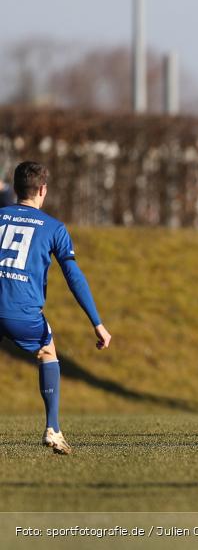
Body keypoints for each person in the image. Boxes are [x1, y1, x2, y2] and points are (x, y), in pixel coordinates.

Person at [0, 161, 111, 454]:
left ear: (14, 189)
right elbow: (73, 276)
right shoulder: (53, 227)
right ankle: (53, 428)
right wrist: (97, 322)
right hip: (20, 313)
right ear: (42, 190)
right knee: (47, 350)